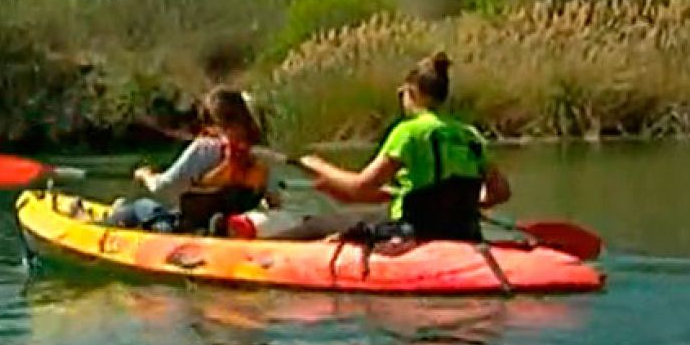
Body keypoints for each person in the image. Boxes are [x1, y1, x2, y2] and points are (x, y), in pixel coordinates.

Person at [295, 51, 511, 243]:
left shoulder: (408, 132)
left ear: (412, 92)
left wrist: (317, 165)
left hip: (413, 231)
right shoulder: (470, 135)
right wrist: (462, 206)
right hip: (464, 232)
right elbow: (500, 192)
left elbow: (359, 187)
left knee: (315, 225)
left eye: (403, 94)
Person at [106, 88, 281, 235]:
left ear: (214, 120)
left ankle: (112, 217)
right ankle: (223, 226)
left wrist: (145, 175)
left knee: (141, 206)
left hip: (184, 228)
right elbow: (275, 202)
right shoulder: (262, 156)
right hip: (229, 224)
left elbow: (163, 187)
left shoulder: (204, 149)